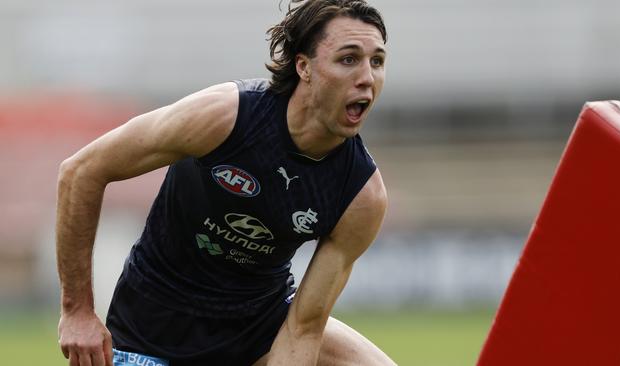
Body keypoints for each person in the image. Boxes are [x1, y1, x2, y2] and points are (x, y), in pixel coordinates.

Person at [56, 0, 396, 365]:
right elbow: (80, 172)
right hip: (152, 331)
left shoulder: (362, 195)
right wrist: (77, 311)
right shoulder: (224, 117)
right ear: (304, 67)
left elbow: (303, 329)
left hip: (261, 328)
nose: (367, 77)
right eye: (348, 59)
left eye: (376, 61)